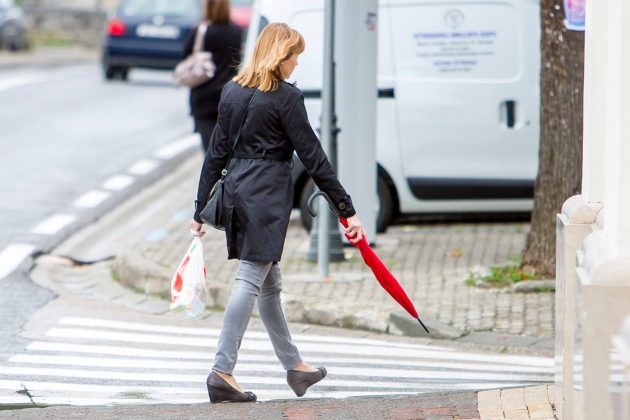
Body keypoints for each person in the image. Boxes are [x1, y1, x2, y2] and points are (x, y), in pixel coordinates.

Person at [190, 22, 365, 403]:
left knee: (270, 285)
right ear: (279, 55)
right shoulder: (285, 98)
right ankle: (222, 370)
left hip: (237, 193)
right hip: (266, 197)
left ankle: (295, 368)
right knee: (250, 278)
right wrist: (346, 210)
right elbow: (313, 156)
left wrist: (199, 207)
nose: (296, 63)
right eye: (294, 55)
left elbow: (216, 152)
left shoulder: (232, 91)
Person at [182, 0, 242, 152]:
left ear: (207, 7)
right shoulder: (237, 32)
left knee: (210, 151)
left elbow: (186, 57)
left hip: (204, 99)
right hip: (230, 97)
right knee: (229, 150)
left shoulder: (201, 31)